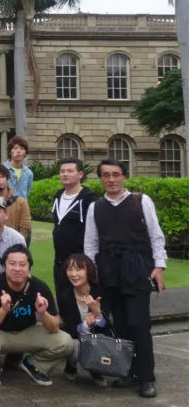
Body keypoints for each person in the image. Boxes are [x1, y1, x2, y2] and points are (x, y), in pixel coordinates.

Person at [84, 159, 167, 399]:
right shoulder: (95, 207)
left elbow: (156, 235)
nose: (111, 179)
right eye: (106, 175)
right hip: (109, 270)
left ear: (124, 176)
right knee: (120, 324)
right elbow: (91, 243)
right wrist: (93, 273)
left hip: (137, 267)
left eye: (116, 174)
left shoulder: (141, 201)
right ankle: (128, 372)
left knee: (139, 324)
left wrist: (159, 267)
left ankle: (146, 377)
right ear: (101, 178)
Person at [0, 245, 73, 388]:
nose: (17, 269)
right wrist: (3, 310)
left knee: (65, 342)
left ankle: (33, 364)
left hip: (28, 332)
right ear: (4, 266)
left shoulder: (40, 287)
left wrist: (43, 313)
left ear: (29, 268)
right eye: (12, 264)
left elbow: (54, 328)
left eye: (22, 264)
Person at [57, 253, 112, 385]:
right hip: (77, 338)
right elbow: (69, 329)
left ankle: (96, 370)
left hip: (98, 339)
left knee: (99, 341)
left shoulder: (100, 292)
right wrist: (86, 325)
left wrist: (97, 313)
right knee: (74, 345)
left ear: (89, 271)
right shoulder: (65, 295)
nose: (73, 274)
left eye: (78, 269)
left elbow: (107, 328)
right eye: (70, 269)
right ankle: (71, 367)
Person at [51, 158, 97, 295]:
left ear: (80, 174)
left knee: (82, 299)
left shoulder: (89, 199)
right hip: (60, 261)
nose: (65, 174)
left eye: (70, 171)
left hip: (80, 262)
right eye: (62, 171)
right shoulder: (58, 196)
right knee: (63, 299)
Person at [4, 136, 34, 200]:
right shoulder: (2, 169)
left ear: (25, 153)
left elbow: (26, 193)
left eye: (22, 149)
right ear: (10, 152)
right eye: (15, 148)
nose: (18, 151)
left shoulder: (29, 173)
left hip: (22, 205)